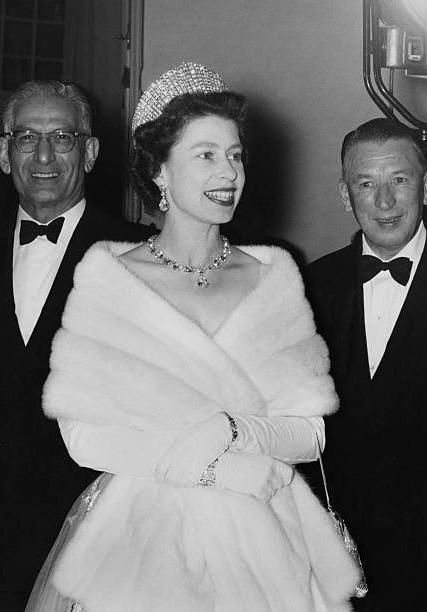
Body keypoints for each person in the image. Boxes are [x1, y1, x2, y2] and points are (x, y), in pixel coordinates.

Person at [25, 63, 359, 612]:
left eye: (234, 154)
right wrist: (210, 465)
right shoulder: (112, 276)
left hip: (267, 532)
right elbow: (83, 435)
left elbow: (310, 434)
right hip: (142, 540)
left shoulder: (273, 275)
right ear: (159, 170)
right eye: (205, 154)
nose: (228, 171)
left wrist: (233, 430)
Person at [0, 80, 151, 612]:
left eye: (62, 137)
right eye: (25, 137)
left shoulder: (138, 259)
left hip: (97, 541)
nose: (42, 155)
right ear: (2, 152)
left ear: (91, 150)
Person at [302, 118, 427, 611]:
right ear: (344, 194)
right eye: (366, 184)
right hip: (337, 565)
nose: (384, 202)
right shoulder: (308, 287)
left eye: (399, 180)